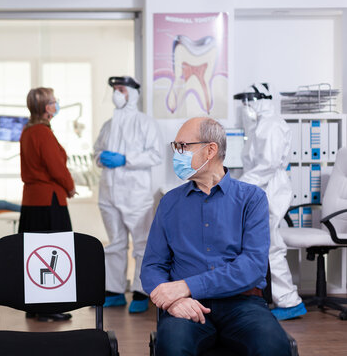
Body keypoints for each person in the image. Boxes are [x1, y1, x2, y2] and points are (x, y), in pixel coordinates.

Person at [141, 117, 291, 355]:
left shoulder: (252, 199)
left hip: (242, 304)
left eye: (182, 147)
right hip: (186, 306)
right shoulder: (169, 202)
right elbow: (152, 266)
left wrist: (186, 286)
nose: (176, 155)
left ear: (210, 150)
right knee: (172, 347)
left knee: (274, 346)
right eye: (175, 147)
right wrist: (174, 300)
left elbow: (252, 266)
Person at [237, 83, 306, 321]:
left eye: (248, 100)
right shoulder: (258, 125)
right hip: (260, 189)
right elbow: (252, 164)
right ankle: (277, 298)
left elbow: (267, 165)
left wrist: (239, 185)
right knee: (264, 246)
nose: (245, 106)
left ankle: (289, 301)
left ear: (261, 99)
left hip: (271, 190)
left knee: (272, 246)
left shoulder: (272, 124)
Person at [93, 76, 162, 313]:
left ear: (132, 93)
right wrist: (100, 158)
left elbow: (155, 155)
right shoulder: (108, 125)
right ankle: (113, 290)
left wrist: (126, 160)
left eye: (120, 89)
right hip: (109, 192)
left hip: (136, 194)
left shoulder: (145, 123)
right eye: (113, 89)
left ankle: (141, 291)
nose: (116, 93)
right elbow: (96, 151)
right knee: (115, 243)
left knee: (141, 244)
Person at [19, 86, 76, 321]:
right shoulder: (43, 133)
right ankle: (50, 305)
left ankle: (35, 306)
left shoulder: (27, 131)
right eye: (53, 101)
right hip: (49, 200)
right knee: (55, 254)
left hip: (32, 201)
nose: (56, 104)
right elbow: (56, 167)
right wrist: (70, 186)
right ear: (45, 107)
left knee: (35, 254)